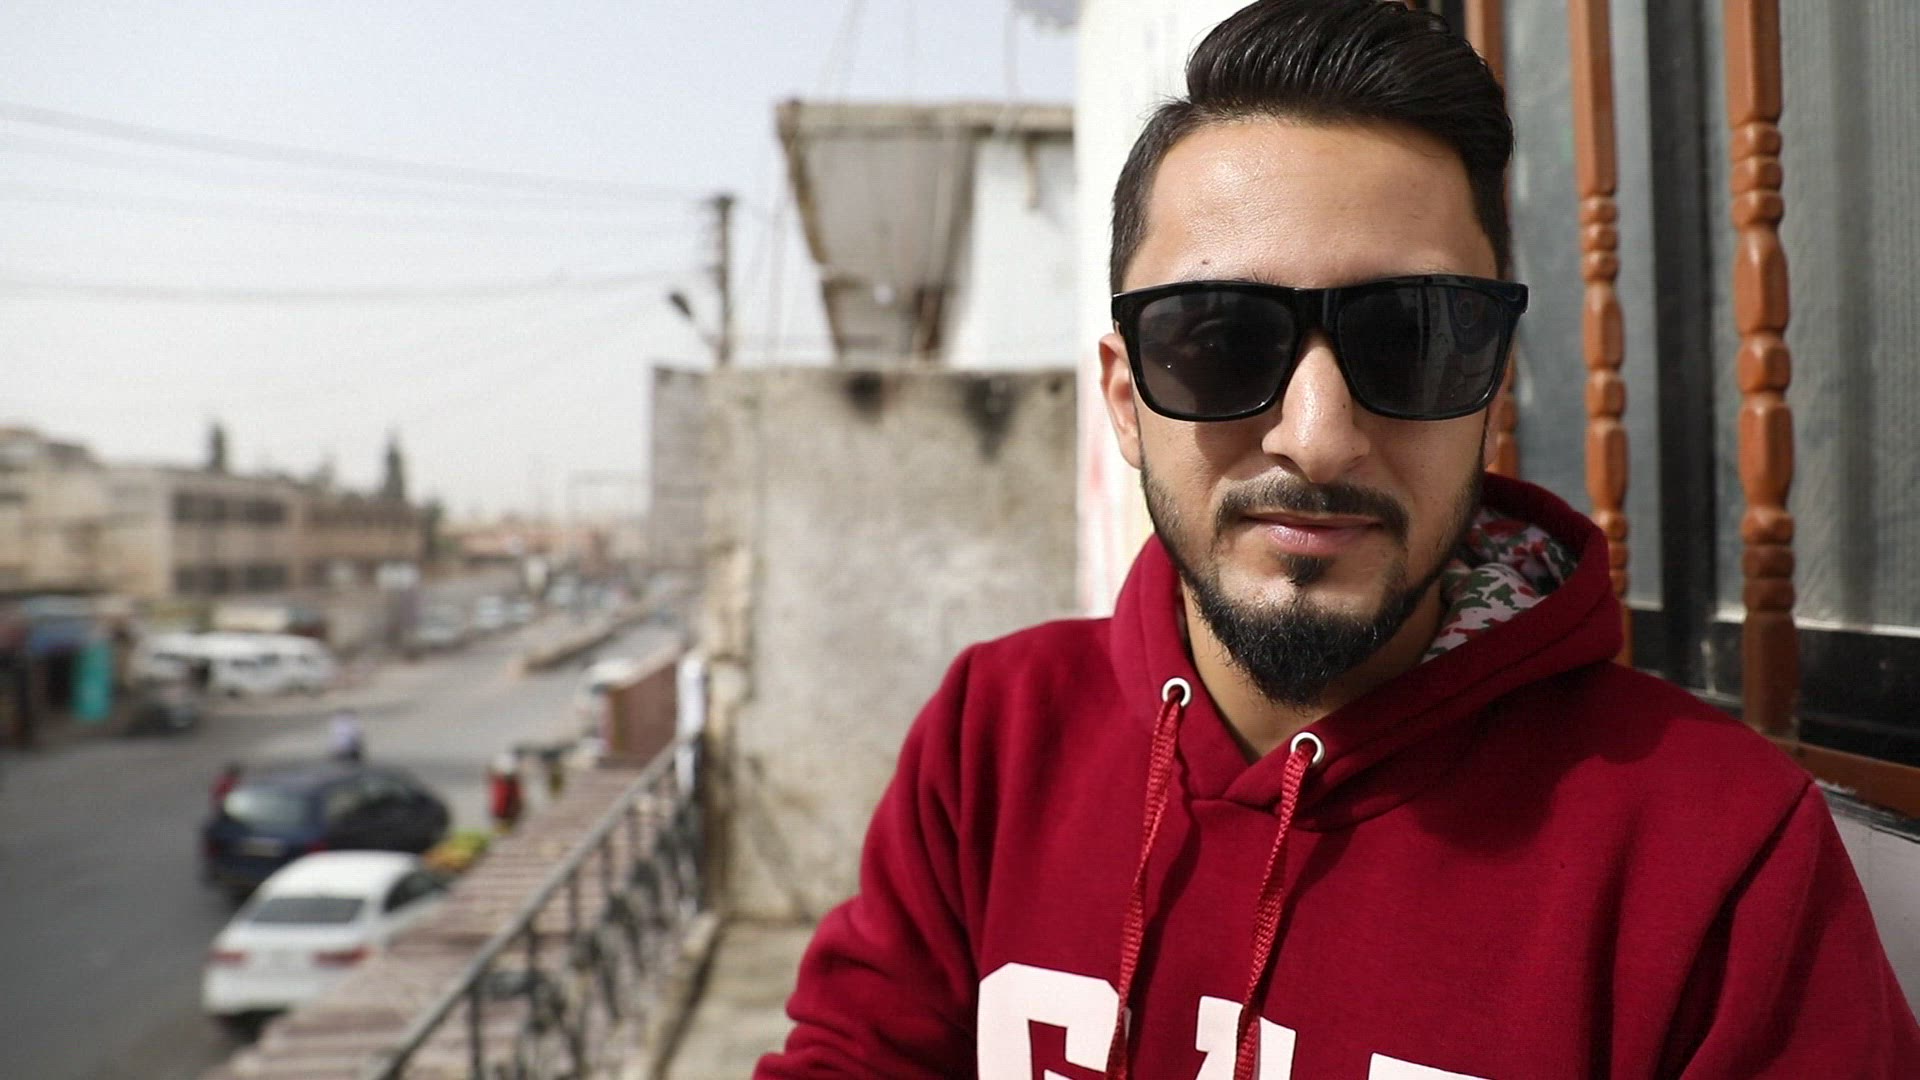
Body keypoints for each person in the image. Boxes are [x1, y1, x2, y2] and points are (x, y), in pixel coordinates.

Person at [756, 3, 1920, 1078]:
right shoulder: (994, 744)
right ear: (1124, 398)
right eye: (1218, 340)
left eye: (1412, 338)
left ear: (1491, 385)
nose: (1318, 438)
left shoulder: (1715, 857)